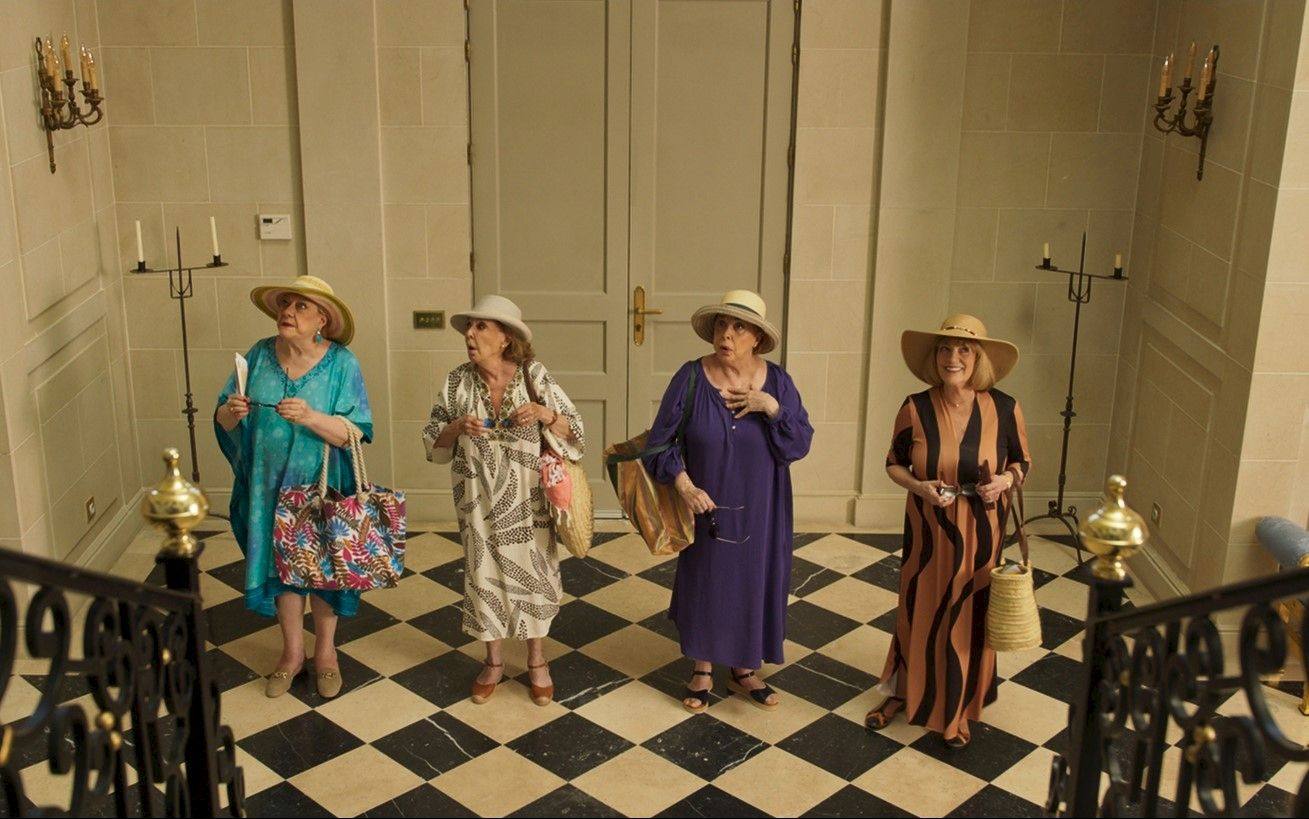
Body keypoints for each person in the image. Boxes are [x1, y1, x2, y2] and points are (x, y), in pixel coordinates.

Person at [865, 313, 1031, 749]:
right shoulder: (914, 407)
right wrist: (920, 486)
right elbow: (893, 463)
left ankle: (958, 709)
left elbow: (1022, 463)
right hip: (927, 530)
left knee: (966, 614)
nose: (951, 357)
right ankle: (903, 691)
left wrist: (1004, 481)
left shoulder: (1005, 408)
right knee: (919, 609)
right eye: (944, 348)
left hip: (982, 531)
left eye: (963, 350)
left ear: (979, 359)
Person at [642, 290, 813, 713]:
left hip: (764, 505)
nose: (727, 334)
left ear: (758, 338)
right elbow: (658, 443)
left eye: (739, 327)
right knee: (708, 579)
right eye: (722, 324)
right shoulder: (691, 377)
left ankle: (743, 667)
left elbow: (798, 444)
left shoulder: (778, 382)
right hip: (707, 503)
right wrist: (684, 485)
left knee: (754, 578)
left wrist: (770, 407)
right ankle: (702, 667)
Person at [214, 275, 373, 699]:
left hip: (321, 488)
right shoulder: (258, 354)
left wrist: (310, 417)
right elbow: (224, 419)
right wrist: (231, 412)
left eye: (301, 306)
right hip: (267, 487)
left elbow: (355, 432)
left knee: (321, 570)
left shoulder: (342, 364)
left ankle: (326, 654)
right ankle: (292, 653)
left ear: (323, 319)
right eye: (285, 303)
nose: (288, 311)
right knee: (281, 570)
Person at [422, 295, 585, 706]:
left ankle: (536, 661)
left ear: (506, 338)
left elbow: (575, 429)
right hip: (475, 498)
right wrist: (458, 426)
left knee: (534, 574)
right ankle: (493, 661)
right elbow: (432, 439)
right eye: (469, 327)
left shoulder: (534, 376)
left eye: (481, 327)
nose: (470, 335)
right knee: (483, 575)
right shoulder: (457, 382)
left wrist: (544, 414)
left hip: (528, 500)